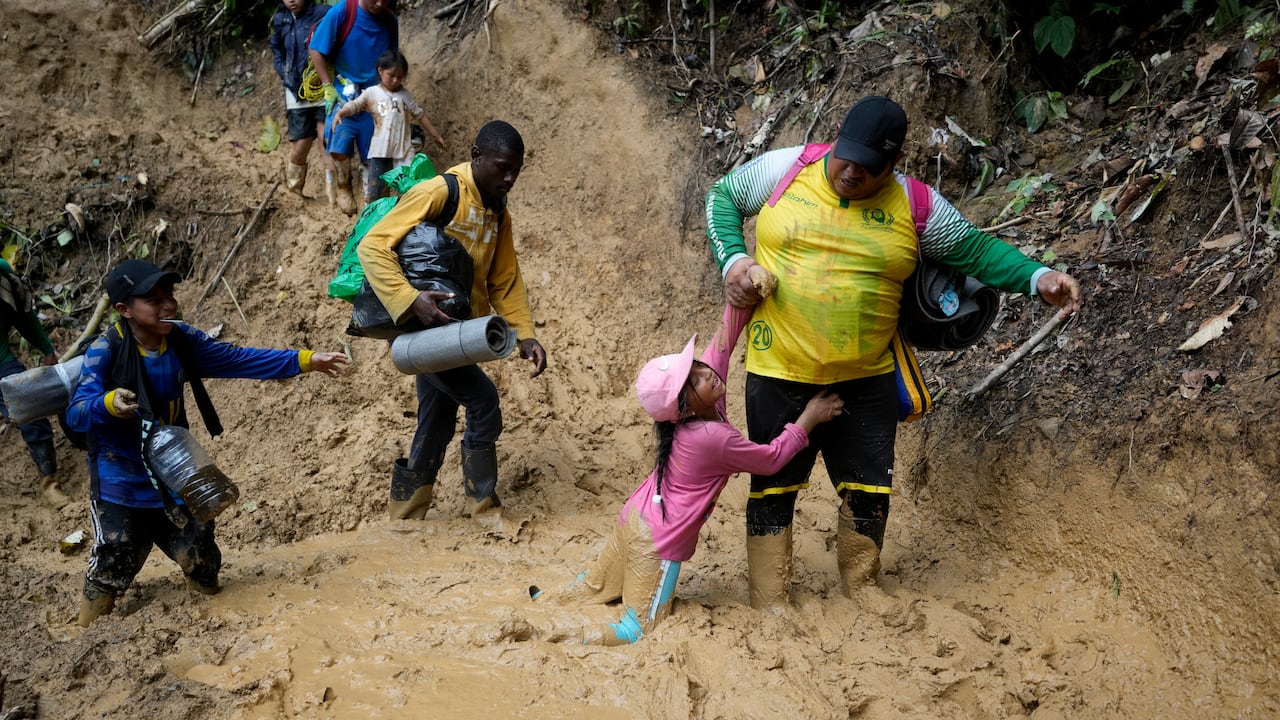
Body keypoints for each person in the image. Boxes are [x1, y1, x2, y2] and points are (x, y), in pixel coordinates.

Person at [703, 95, 1083, 610]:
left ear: (895, 163)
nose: (852, 172)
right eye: (846, 156)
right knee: (773, 484)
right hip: (778, 367)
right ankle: (769, 594)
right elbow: (721, 198)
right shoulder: (787, 170)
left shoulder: (916, 204)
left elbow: (975, 250)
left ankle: (861, 585)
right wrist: (734, 261)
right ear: (835, 139)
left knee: (868, 487)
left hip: (867, 376)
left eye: (870, 165)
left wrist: (1039, 277)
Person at [533, 302, 844, 645]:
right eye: (695, 378)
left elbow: (721, 348)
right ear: (684, 407)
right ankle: (553, 638)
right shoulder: (713, 438)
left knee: (593, 590)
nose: (706, 373)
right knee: (636, 630)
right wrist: (811, 416)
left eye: (696, 366)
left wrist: (737, 303)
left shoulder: (699, 411)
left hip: (636, 518)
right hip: (656, 544)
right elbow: (770, 459)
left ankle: (539, 602)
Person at [65, 259, 350, 626]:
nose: (169, 305)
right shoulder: (105, 351)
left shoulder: (182, 340)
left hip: (174, 472)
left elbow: (238, 359)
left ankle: (211, 623)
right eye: (153, 300)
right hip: (120, 477)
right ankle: (86, 632)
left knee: (200, 556)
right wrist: (107, 404)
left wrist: (308, 360)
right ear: (125, 310)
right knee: (114, 560)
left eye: (169, 295)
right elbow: (76, 413)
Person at [357, 120, 547, 527]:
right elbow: (373, 244)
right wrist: (410, 301)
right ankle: (484, 510)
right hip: (426, 333)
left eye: (516, 170)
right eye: (502, 167)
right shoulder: (441, 192)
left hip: (456, 331)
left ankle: (405, 516)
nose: (510, 178)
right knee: (483, 402)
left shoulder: (498, 210)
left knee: (437, 420)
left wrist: (525, 334)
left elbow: (505, 278)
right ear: (476, 157)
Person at [308, 0, 399, 215]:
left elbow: (393, 58)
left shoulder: (389, 21)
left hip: (374, 100)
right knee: (339, 148)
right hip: (343, 96)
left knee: (374, 152)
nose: (379, 4)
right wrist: (327, 86)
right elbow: (316, 49)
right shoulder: (342, 12)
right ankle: (343, 186)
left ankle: (372, 196)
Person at [333, 49, 446, 204]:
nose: (395, 80)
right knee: (376, 193)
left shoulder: (405, 95)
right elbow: (355, 105)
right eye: (391, 75)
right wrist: (341, 113)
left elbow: (419, 115)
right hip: (380, 151)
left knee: (409, 190)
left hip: (403, 150)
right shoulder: (372, 93)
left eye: (399, 77)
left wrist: (435, 135)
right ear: (380, 70)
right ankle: (373, 221)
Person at [0, 259, 69, 508]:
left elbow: (22, 315)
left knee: (28, 405)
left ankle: (50, 482)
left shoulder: (2, 274)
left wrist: (46, 348)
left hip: (1, 362)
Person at [269, 0, 336, 201]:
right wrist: (284, 73)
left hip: (322, 86)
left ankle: (335, 195)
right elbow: (277, 51)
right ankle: (294, 191)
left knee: (327, 140)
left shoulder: (324, 14)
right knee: (301, 144)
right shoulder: (280, 19)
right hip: (296, 90)